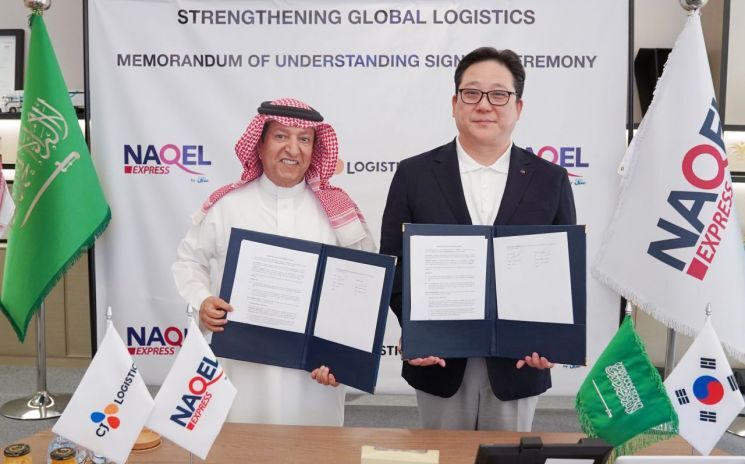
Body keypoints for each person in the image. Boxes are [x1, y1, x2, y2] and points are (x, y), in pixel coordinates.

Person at [380, 47, 576, 431]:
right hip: (438, 361)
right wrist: (418, 329)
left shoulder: (550, 180)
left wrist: (551, 336)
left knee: (508, 457)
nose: (484, 105)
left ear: (518, 107)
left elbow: (562, 269)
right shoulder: (414, 174)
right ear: (455, 104)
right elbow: (394, 263)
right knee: (442, 456)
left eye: (499, 94)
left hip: (520, 361)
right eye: (472, 93)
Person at [173, 98, 375, 426]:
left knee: (314, 448)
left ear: (315, 149)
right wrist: (203, 301)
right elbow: (189, 262)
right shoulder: (228, 206)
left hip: (314, 377)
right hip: (244, 370)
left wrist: (344, 360)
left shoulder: (339, 212)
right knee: (244, 444)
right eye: (281, 136)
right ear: (260, 144)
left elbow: (364, 287)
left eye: (304, 139)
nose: (292, 149)